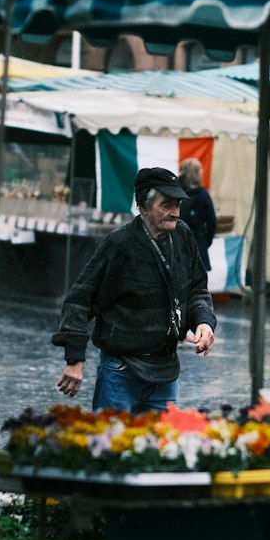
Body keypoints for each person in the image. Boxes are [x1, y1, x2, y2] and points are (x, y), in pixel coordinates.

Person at [53, 166, 216, 413]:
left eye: (178, 204)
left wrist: (203, 321)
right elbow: (79, 300)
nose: (175, 212)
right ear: (143, 207)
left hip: (165, 370)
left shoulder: (182, 235)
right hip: (121, 371)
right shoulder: (120, 243)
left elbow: (196, 289)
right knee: (111, 448)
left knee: (159, 449)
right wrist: (74, 359)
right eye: (166, 205)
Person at [177, 157, 217, 271]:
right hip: (197, 245)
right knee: (197, 285)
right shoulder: (202, 194)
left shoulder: (174, 193)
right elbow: (212, 223)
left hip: (176, 246)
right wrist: (204, 242)